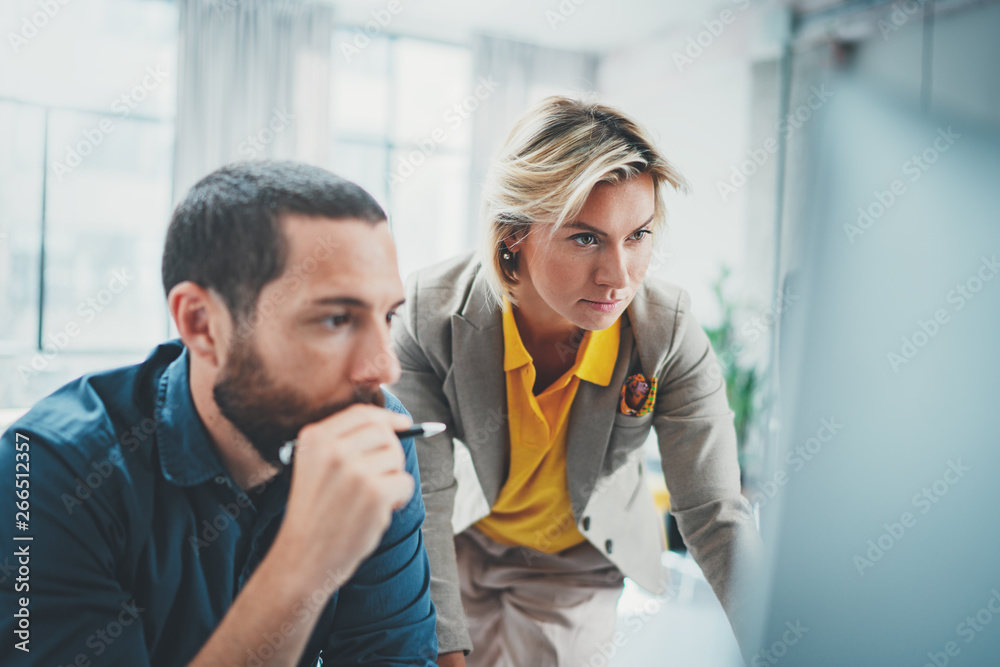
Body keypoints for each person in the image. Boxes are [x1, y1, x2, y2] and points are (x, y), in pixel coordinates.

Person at [0, 161, 438, 665]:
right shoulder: (45, 475)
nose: (385, 367)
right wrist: (303, 566)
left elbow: (392, 656)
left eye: (387, 317)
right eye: (336, 318)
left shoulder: (374, 430)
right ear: (202, 324)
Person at [390, 97, 762, 667]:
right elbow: (425, 501)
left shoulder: (668, 331)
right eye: (585, 238)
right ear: (513, 233)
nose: (618, 277)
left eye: (637, 236)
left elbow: (715, 513)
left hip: (573, 561)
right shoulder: (429, 313)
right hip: (462, 537)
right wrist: (447, 650)